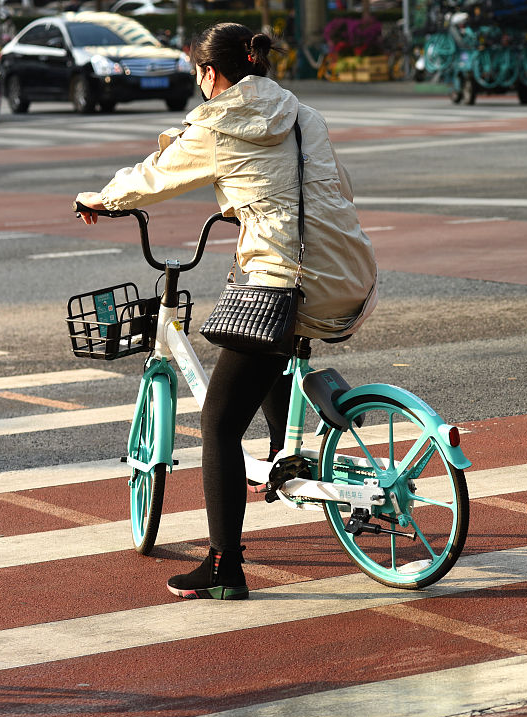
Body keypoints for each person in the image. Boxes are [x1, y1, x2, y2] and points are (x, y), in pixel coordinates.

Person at [75, 23, 379, 600]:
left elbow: (154, 178)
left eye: (197, 75)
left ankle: (223, 567)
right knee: (262, 347)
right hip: (346, 276)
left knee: (217, 422)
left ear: (210, 74)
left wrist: (97, 198)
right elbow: (331, 188)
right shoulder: (301, 114)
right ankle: (285, 454)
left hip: (283, 282)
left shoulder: (216, 123)